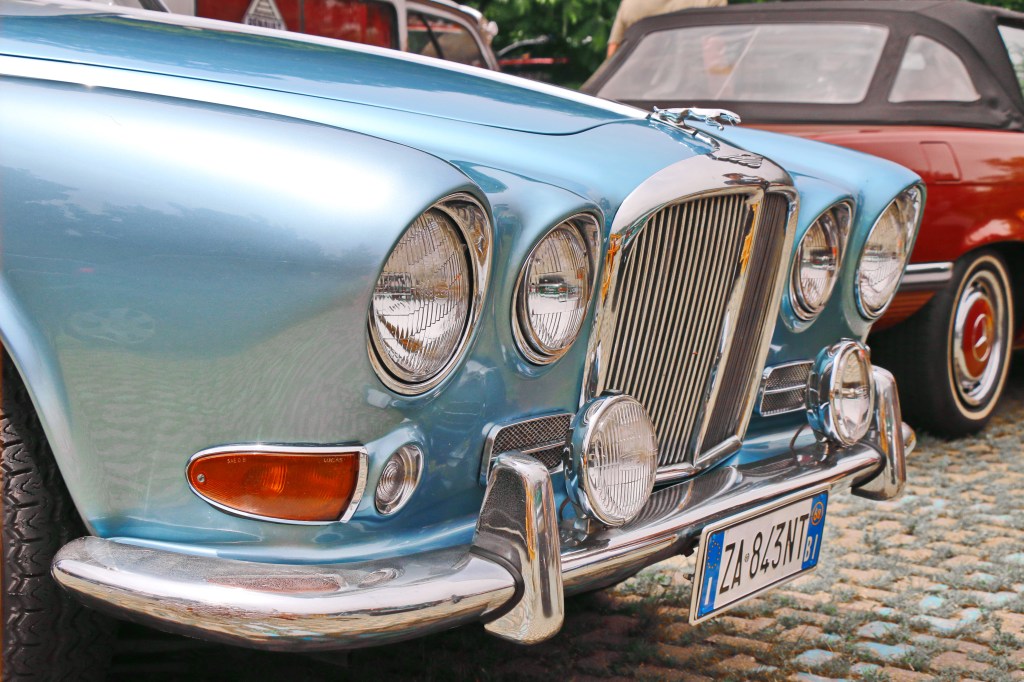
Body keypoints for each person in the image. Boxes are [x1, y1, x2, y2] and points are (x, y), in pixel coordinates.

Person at [607, 0, 727, 56]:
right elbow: (714, 58)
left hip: (634, 92)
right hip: (691, 92)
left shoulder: (630, 3)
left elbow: (613, 53)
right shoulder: (710, 1)